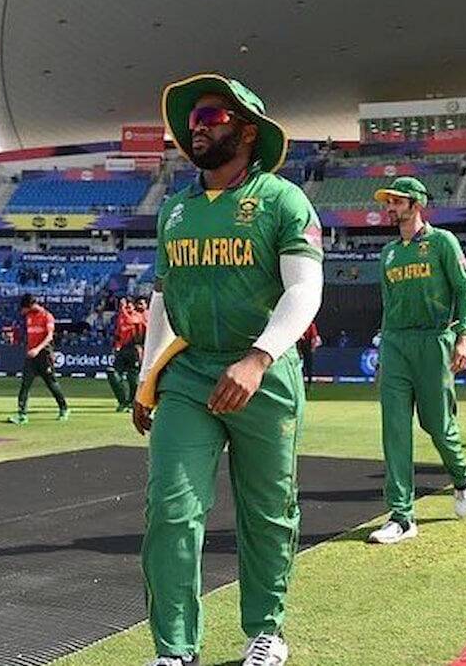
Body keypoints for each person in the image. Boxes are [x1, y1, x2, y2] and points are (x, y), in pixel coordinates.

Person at [131, 73, 324, 666]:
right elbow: (163, 298)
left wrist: (258, 357)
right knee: (171, 509)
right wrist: (146, 377)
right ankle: (174, 649)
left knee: (267, 512)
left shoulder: (283, 200)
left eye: (212, 118)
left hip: (264, 373)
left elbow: (305, 289)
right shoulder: (175, 210)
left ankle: (266, 631)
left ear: (246, 131)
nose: (197, 128)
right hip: (188, 375)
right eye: (194, 120)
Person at [365, 176, 466, 545]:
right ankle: (402, 516)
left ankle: (462, 475)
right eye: (388, 202)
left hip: (434, 341)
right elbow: (388, 305)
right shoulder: (388, 253)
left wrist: (463, 338)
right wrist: (384, 350)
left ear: (416, 204)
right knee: (395, 429)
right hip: (396, 344)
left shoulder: (442, 242)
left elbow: (464, 290)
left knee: (438, 425)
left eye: (397, 202)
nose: (389, 208)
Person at [7, 294, 69, 424]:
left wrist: (37, 349)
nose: (22, 311)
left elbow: (49, 337)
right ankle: (22, 415)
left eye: (24, 308)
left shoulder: (47, 316)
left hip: (44, 355)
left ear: (30, 305)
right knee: (25, 384)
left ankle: (64, 408)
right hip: (31, 356)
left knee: (51, 383)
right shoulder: (29, 316)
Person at [107, 297, 141, 412]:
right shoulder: (121, 317)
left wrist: (123, 309)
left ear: (133, 307)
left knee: (133, 378)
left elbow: (131, 321)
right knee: (113, 373)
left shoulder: (137, 315)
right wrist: (116, 347)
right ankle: (123, 401)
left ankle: (132, 402)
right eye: (126, 306)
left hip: (134, 349)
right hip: (123, 350)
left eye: (129, 306)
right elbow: (118, 334)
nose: (127, 308)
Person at [296, 321, 320, 391]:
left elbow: (314, 337)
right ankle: (301, 384)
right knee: (301, 368)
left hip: (308, 348)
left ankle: (309, 384)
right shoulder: (301, 325)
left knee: (309, 367)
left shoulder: (311, 326)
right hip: (301, 348)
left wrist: (313, 347)